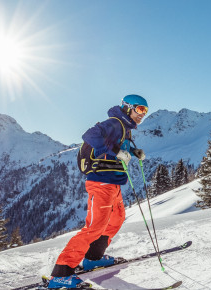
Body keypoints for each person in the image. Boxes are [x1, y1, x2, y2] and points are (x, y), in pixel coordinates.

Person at [48, 94, 149, 289]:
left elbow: (116, 147)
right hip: (101, 183)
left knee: (117, 218)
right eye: (140, 109)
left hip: (113, 183)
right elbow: (90, 136)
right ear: (128, 107)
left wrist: (133, 152)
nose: (142, 114)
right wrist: (116, 152)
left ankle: (93, 258)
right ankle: (61, 272)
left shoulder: (125, 128)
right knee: (94, 227)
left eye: (145, 111)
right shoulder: (114, 123)